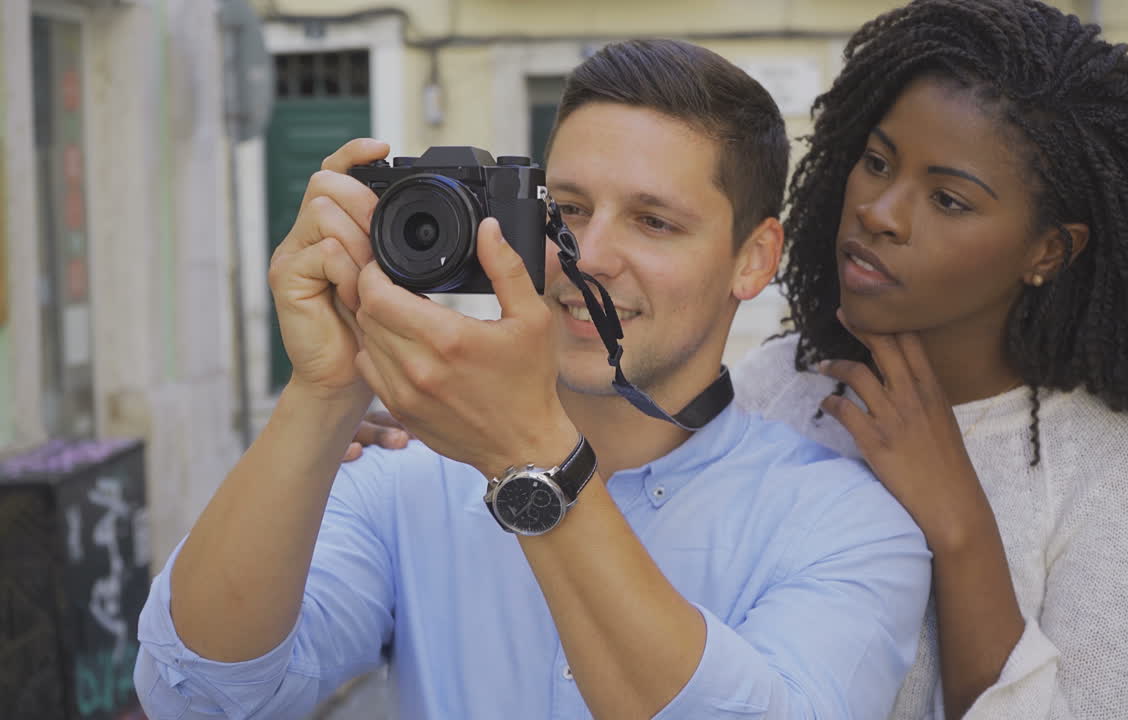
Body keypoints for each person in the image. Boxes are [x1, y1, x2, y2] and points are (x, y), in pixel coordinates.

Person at [133, 39, 932, 719]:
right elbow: (198, 693)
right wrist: (324, 392)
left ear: (754, 258)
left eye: (654, 221)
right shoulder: (410, 477)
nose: (588, 255)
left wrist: (534, 458)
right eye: (567, 210)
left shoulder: (849, 527)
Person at [732, 0, 1128, 718]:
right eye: (876, 162)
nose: (881, 211)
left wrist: (960, 525)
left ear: (1048, 251)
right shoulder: (773, 388)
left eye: (948, 199)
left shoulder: (1126, 468)